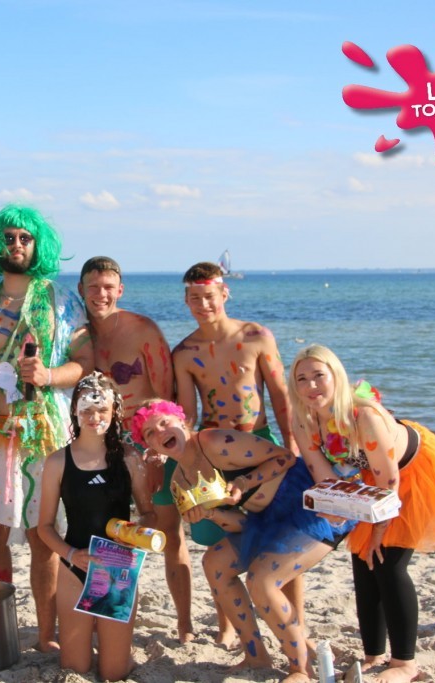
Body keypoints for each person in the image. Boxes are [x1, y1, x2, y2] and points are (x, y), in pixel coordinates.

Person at [289, 345, 435, 683]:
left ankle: (405, 663)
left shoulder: (363, 415)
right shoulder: (302, 419)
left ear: (336, 376)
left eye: (319, 376)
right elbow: (323, 475)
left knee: (386, 561)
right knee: (362, 561)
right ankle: (374, 656)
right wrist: (334, 509)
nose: (311, 386)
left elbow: (389, 481)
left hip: (412, 473)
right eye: (302, 379)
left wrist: (378, 531)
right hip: (371, 479)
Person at [0, 204, 93, 651]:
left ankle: (47, 635)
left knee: (42, 536)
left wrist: (48, 376)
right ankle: (1, 631)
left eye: (25, 238)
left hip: (43, 433)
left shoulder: (62, 303)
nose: (16, 245)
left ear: (38, 245)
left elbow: (85, 362)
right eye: (8, 237)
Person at [132, 399, 347, 682]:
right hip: (264, 520)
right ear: (149, 447)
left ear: (182, 421)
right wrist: (209, 513)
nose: (160, 432)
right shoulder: (180, 484)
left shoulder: (216, 441)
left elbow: (285, 457)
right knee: (214, 563)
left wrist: (244, 483)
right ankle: (256, 655)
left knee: (261, 581)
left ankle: (300, 669)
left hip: (305, 506)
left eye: (164, 422)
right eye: (150, 433)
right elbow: (241, 524)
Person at [171, 260, 300, 646]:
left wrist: (292, 447)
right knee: (218, 542)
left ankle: (296, 621)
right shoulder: (185, 352)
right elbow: (187, 414)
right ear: (186, 301)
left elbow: (280, 396)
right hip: (213, 451)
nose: (203, 304)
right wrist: (181, 454)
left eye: (209, 296)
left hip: (257, 443)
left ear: (224, 294)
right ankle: (227, 627)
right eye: (195, 298)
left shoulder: (256, 336)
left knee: (281, 537)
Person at [77, 256, 194, 643]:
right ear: (81, 290)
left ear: (120, 290)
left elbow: (166, 397)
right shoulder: (78, 336)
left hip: (148, 444)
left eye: (108, 287)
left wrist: (158, 454)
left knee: (168, 531)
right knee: (109, 532)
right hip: (103, 445)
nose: (101, 294)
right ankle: (111, 617)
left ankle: (185, 625)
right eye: (93, 287)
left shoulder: (143, 330)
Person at [38, 373, 154, 680]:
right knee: (75, 669)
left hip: (117, 569)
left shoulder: (129, 458)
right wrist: (71, 554)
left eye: (102, 409)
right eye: (87, 410)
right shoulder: (57, 462)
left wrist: (137, 535)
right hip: (74, 568)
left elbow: (149, 514)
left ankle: (123, 658)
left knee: (113, 673)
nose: (94, 417)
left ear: (115, 411)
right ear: (74, 411)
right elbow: (44, 528)